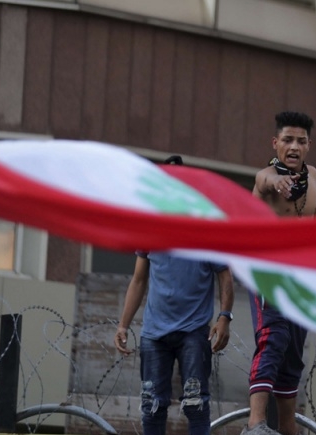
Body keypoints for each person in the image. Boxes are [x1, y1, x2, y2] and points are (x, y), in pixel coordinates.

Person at [113, 156, 235, 435]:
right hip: (154, 335)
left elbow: (225, 276)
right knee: (152, 406)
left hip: (194, 332)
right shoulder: (149, 227)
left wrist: (225, 317)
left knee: (196, 404)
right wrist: (123, 325)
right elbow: (138, 279)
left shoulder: (205, 228)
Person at [243, 111, 316, 435]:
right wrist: (277, 181)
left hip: (301, 276)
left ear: (308, 145)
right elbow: (265, 181)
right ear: (275, 143)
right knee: (273, 337)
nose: (294, 147)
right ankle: (256, 423)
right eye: (287, 140)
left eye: (300, 141)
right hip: (268, 271)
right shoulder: (266, 178)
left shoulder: (313, 176)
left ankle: (288, 429)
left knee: (292, 355)